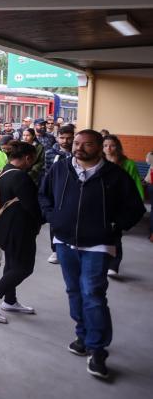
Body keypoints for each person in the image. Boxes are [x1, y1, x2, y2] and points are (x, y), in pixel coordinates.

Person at [39, 130, 146, 380]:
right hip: (65, 242)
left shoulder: (115, 176)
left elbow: (135, 208)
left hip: (98, 245)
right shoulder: (61, 168)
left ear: (99, 147)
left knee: (93, 294)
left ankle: (98, 349)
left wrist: (113, 226)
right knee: (74, 291)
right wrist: (53, 217)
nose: (79, 148)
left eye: (87, 145)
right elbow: (43, 195)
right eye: (76, 143)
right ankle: (83, 336)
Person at [0, 141, 42, 324]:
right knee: (24, 268)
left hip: (3, 228)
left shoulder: (4, 171)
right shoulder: (21, 177)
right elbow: (33, 207)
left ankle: (9, 300)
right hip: (19, 230)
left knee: (12, 264)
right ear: (28, 158)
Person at [102, 135, 144, 277]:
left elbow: (136, 183)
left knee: (115, 236)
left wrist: (137, 202)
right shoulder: (99, 162)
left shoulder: (128, 164)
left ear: (118, 147)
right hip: (102, 204)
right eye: (105, 145)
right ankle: (102, 261)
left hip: (120, 205)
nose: (108, 148)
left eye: (112, 145)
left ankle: (114, 265)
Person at [44, 124, 75, 264]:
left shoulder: (77, 153)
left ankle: (72, 246)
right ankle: (55, 250)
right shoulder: (50, 153)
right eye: (62, 138)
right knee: (55, 221)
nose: (65, 141)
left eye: (69, 138)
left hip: (74, 191)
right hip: (56, 192)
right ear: (57, 138)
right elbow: (47, 173)